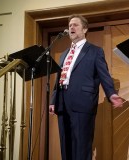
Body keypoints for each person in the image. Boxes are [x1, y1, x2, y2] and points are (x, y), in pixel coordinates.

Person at [49, 14, 123, 160]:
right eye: (70, 25)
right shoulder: (63, 55)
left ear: (84, 29)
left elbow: (104, 75)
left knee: (82, 148)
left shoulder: (95, 51)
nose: (71, 27)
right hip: (62, 103)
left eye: (75, 25)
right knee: (66, 147)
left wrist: (112, 94)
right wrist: (53, 100)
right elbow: (59, 78)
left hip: (83, 103)